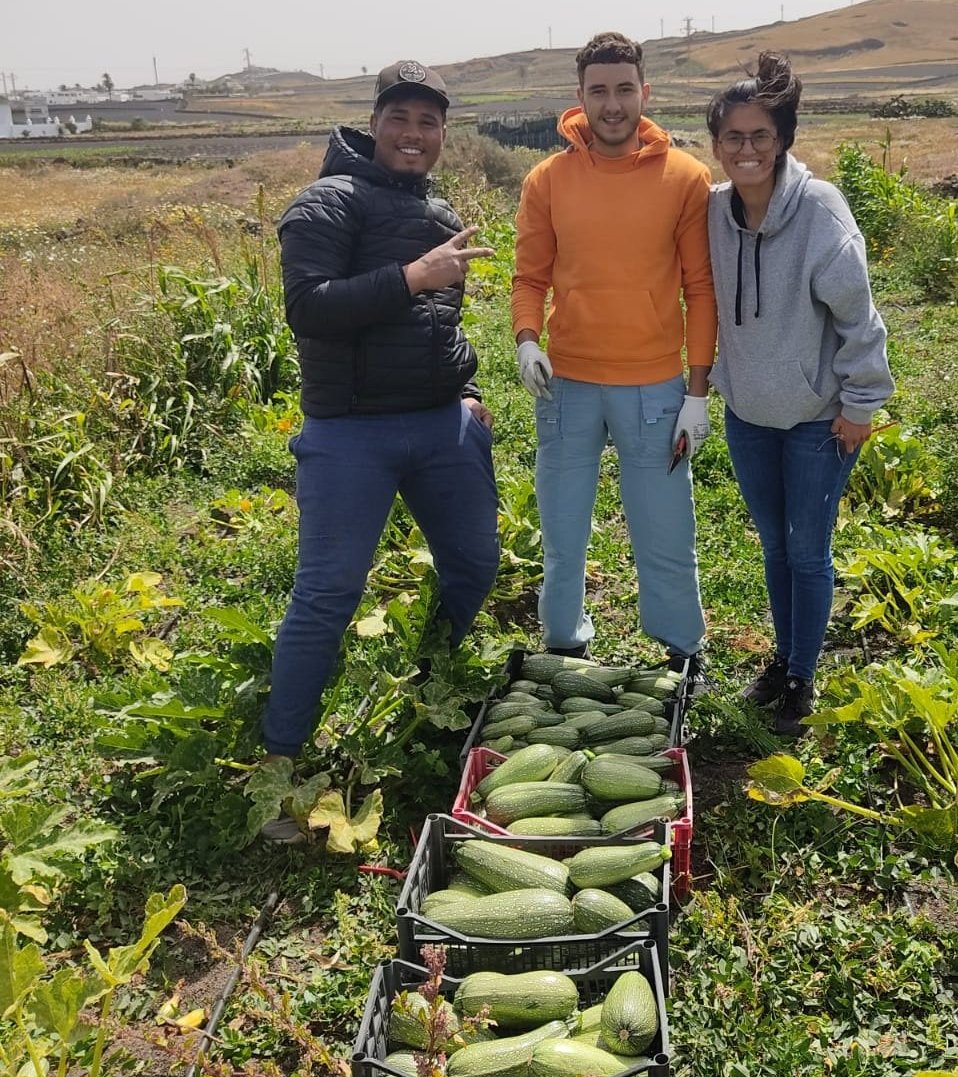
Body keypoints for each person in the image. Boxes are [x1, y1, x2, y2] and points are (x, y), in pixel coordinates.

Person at [261, 59, 500, 778]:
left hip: (439, 425)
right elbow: (309, 307)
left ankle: (431, 681)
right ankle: (282, 753)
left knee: (475, 564)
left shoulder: (441, 216)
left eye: (428, 122)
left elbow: (437, 319)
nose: (413, 133)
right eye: (399, 118)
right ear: (372, 126)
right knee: (328, 592)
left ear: (442, 135)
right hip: (350, 431)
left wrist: (465, 390)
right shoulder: (327, 201)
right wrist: (411, 276)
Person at [511, 31, 717, 672]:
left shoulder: (686, 177)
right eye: (598, 91)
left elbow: (700, 288)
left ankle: (682, 650)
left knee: (664, 531)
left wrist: (697, 393)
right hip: (567, 384)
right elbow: (529, 277)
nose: (612, 104)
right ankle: (564, 642)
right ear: (580, 98)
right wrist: (525, 340)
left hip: (655, 389)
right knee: (563, 528)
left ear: (644, 93)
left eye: (624, 89)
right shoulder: (547, 180)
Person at [706, 52, 895, 736]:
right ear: (717, 144)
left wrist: (861, 406)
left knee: (807, 549)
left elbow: (859, 317)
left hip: (818, 419)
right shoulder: (713, 214)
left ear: (782, 138)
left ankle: (802, 677)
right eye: (733, 137)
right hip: (749, 415)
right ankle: (781, 660)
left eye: (760, 135)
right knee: (774, 547)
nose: (747, 149)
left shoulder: (820, 212)